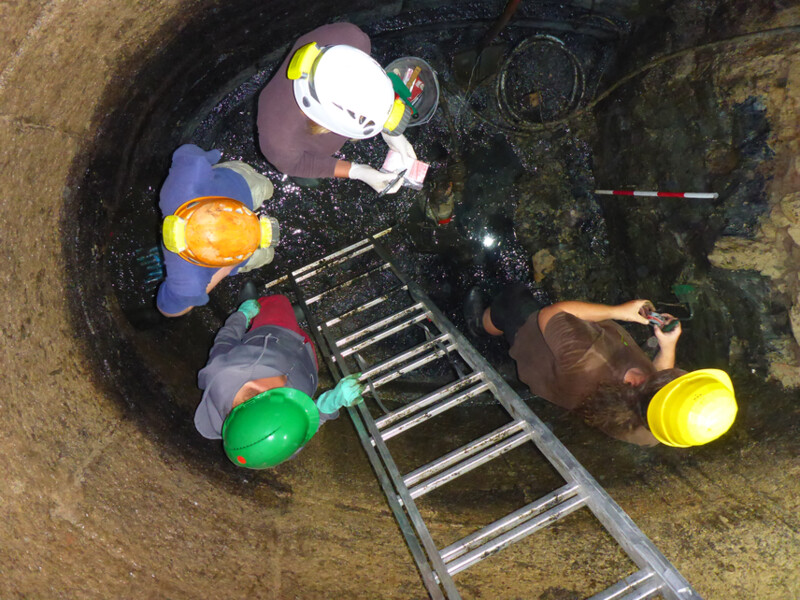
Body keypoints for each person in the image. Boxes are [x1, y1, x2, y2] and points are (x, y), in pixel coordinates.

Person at [464, 284, 738, 447]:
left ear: (638, 383)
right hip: (555, 380)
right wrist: (667, 346)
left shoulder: (589, 357)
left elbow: (553, 313)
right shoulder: (652, 429)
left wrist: (620, 312)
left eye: (680, 379)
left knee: (513, 300)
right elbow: (660, 386)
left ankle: (482, 325)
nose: (680, 373)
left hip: (532, 338)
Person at [194, 292, 365, 469]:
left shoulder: (220, 374)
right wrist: (329, 404)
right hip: (306, 363)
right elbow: (309, 421)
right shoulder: (278, 445)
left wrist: (241, 316)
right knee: (307, 339)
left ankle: (258, 304)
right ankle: (296, 322)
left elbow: (225, 339)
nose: (282, 385)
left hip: (273, 332)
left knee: (279, 302)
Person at [257, 22, 419, 193]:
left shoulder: (351, 38)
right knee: (296, 167)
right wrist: (357, 171)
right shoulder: (278, 140)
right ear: (326, 123)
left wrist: (387, 127)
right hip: (296, 154)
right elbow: (296, 164)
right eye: (364, 119)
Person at [157, 144, 279, 317]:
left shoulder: (185, 183)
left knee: (265, 189)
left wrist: (226, 268)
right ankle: (266, 189)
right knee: (268, 255)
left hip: (239, 183)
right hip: (239, 184)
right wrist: (225, 270)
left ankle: (266, 189)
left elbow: (171, 310)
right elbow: (167, 311)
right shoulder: (187, 280)